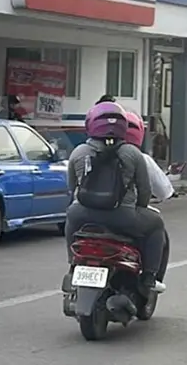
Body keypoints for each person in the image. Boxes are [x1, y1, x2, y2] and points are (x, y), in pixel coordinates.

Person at [64, 101, 166, 295]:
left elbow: (71, 188)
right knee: (156, 225)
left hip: (82, 215)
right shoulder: (133, 153)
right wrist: (139, 208)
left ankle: (72, 265)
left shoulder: (78, 152)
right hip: (123, 217)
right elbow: (144, 191)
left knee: (70, 216)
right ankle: (149, 278)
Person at [125, 111, 174, 202]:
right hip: (129, 211)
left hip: (93, 212)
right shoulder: (142, 158)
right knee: (155, 216)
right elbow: (164, 192)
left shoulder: (92, 154)